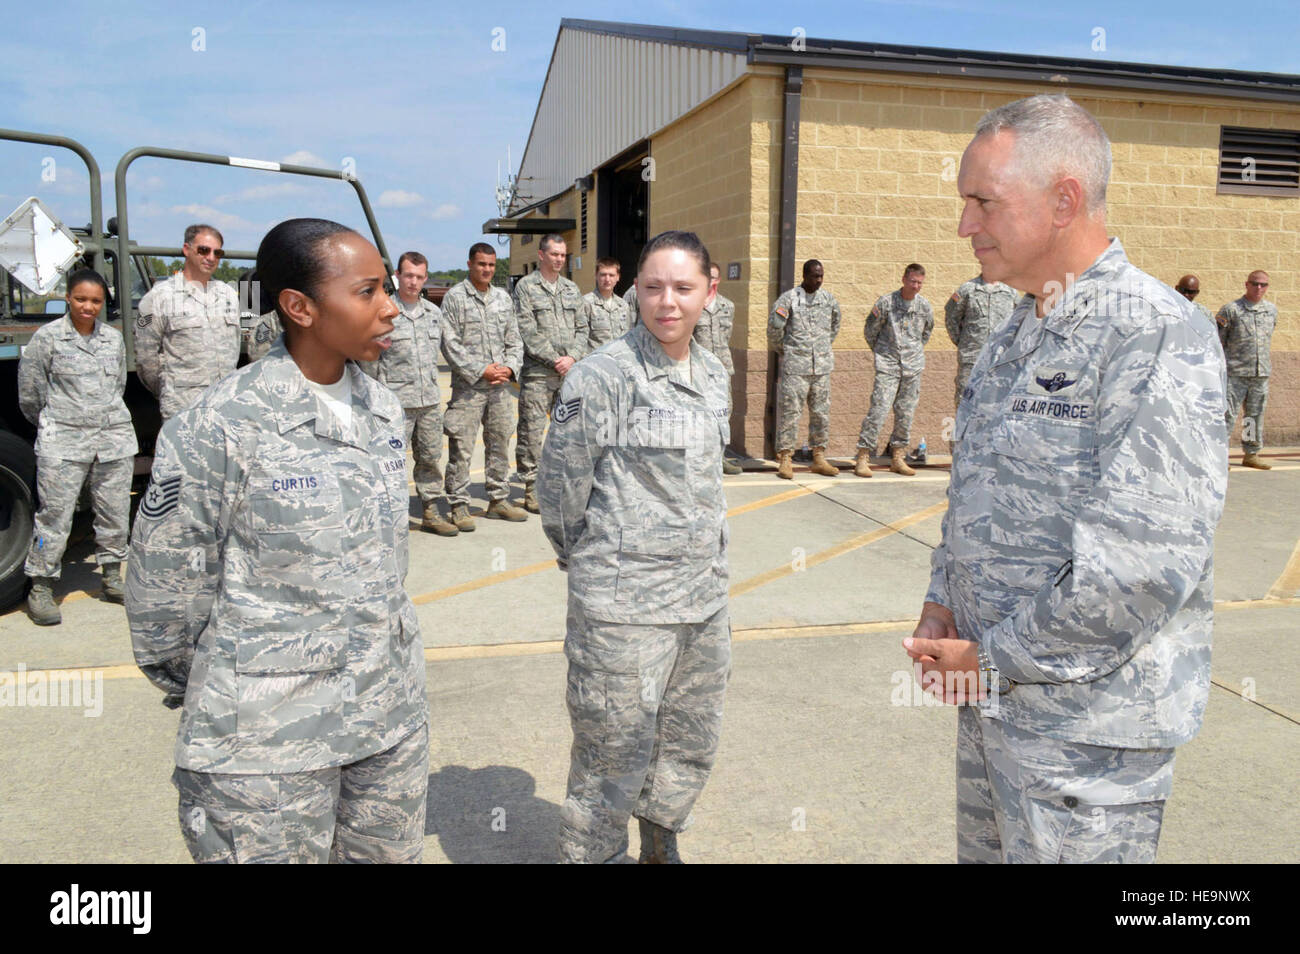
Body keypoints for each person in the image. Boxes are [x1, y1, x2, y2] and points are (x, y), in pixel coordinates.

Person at [906, 94, 1226, 864]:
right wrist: (944, 599)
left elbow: (1143, 569)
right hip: (993, 711)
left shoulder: (1152, 334)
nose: (964, 227)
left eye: (982, 203)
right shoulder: (1016, 331)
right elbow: (975, 495)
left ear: (1064, 200)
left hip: (1088, 738)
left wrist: (991, 657)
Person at [126, 218, 429, 864]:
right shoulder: (216, 428)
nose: (390, 308)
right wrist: (241, 680)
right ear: (299, 307)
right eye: (369, 291)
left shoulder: (383, 413)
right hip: (264, 752)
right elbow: (163, 606)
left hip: (385, 725)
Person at [538, 230, 731, 864]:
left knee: (687, 740)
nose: (666, 302)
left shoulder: (713, 372)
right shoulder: (601, 378)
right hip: (622, 611)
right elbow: (561, 488)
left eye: (682, 288)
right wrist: (590, 562)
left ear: (709, 291)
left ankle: (659, 840)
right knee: (610, 755)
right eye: (653, 287)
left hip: (701, 603)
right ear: (634, 292)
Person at [18, 269, 137, 625]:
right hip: (64, 443)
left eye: (96, 301)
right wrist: (60, 421)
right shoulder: (48, 338)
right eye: (81, 299)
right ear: (68, 298)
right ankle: (41, 585)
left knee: (115, 511)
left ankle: (113, 577)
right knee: (54, 517)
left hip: (112, 439)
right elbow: (31, 394)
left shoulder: (112, 339)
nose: (88, 307)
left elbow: (117, 385)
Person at [361, 251, 456, 535]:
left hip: (428, 401)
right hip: (395, 405)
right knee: (389, 463)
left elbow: (448, 351)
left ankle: (430, 511)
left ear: (425, 278)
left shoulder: (434, 314)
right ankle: (389, 516)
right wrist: (374, 401)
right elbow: (369, 361)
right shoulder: (384, 313)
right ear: (398, 277)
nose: (413, 281)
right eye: (408, 275)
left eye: (418, 276)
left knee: (429, 460)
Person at [439, 243, 528, 529]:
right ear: (470, 264)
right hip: (469, 387)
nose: (487, 269)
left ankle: (498, 499)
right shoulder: (455, 298)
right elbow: (449, 343)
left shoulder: (503, 298)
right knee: (462, 447)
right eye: (481, 264)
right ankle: (458, 504)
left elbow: (514, 339)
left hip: (500, 387)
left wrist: (510, 367)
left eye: (491, 265)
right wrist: (482, 370)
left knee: (500, 441)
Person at [135, 224, 241, 420]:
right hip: (183, 410)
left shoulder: (228, 295)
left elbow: (235, 345)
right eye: (203, 250)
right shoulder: (158, 298)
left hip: (225, 406)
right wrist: (170, 389)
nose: (211, 257)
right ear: (186, 250)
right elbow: (146, 359)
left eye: (217, 253)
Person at [514, 234, 582, 513]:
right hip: (538, 375)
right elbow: (527, 331)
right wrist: (556, 359)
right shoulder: (526, 288)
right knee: (531, 432)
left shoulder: (571, 289)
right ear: (541, 255)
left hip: (568, 374)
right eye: (554, 254)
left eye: (563, 255)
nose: (559, 259)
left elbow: (583, 329)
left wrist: (573, 357)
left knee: (567, 432)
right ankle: (532, 487)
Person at [856, 264, 934, 477]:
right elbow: (870, 331)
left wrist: (913, 354)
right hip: (888, 365)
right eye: (913, 281)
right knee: (878, 410)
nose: (916, 286)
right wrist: (883, 354)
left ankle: (898, 457)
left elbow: (926, 333)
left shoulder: (924, 306)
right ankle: (863, 456)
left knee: (905, 414)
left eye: (919, 283)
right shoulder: (886, 303)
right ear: (903, 279)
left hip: (913, 367)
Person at [768, 260, 842, 480]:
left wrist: (821, 349)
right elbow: (774, 331)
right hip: (796, 369)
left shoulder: (828, 300)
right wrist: (788, 351)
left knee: (821, 414)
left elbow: (835, 326)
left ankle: (818, 457)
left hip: (821, 368)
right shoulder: (789, 299)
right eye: (814, 276)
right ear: (804, 275)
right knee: (790, 414)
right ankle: (785, 458)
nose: (818, 280)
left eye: (821, 276)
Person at [1217, 270, 1277, 470]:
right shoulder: (1231, 310)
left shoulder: (1271, 310)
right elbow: (1219, 342)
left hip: (1259, 375)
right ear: (1246, 284)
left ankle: (1251, 454)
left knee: (1253, 416)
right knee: (1227, 415)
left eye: (1263, 285)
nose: (1259, 288)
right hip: (1235, 374)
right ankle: (1220, 455)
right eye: (1255, 284)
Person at [944, 271, 1018, 412]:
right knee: (964, 399)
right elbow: (951, 318)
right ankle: (962, 434)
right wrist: (964, 343)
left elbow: (1020, 320)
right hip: (971, 358)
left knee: (997, 401)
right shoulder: (967, 290)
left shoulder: (1010, 293)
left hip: (1000, 359)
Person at [696, 262, 742, 475]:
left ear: (719, 280)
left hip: (722, 369)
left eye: (715, 277)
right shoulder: (694, 306)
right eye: (708, 276)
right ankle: (699, 458)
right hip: (698, 369)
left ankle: (720, 457)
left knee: (724, 412)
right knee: (698, 413)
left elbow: (726, 337)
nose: (712, 280)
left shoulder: (728, 306)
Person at [574, 257, 631, 355]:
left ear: (618, 277)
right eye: (603, 275)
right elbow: (579, 339)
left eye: (611, 275)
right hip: (595, 362)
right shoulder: (585, 303)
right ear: (596, 275)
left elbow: (628, 336)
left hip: (619, 361)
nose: (607, 279)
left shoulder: (623, 305)